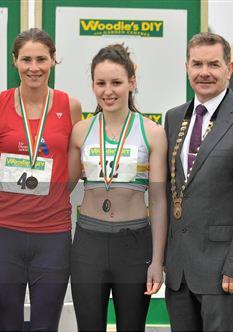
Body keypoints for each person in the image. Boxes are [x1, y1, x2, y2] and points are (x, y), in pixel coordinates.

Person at [164, 32, 233, 331]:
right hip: (179, 273)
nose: (204, 72)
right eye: (196, 64)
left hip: (223, 272)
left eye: (213, 64)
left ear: (229, 68)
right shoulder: (173, 118)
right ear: (187, 67)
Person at [0, 28, 82, 331]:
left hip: (52, 233)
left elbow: (74, 166)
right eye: (26, 59)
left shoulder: (70, 106)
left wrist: (51, 193)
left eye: (41, 59)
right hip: (2, 232)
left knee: (45, 325)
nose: (34, 67)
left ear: (53, 60)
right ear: (14, 62)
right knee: (7, 324)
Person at [68, 44, 168, 331]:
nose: (108, 91)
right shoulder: (81, 131)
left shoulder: (153, 132)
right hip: (89, 243)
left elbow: (159, 200)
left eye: (116, 82)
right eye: (101, 83)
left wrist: (157, 261)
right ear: (92, 85)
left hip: (134, 245)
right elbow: (63, 191)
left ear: (131, 82)